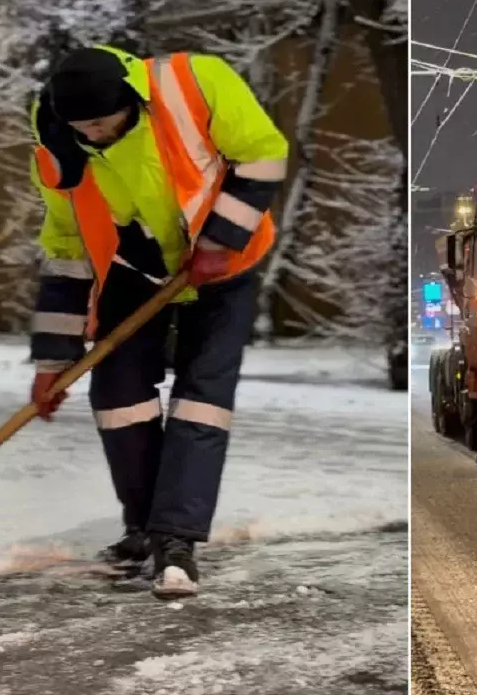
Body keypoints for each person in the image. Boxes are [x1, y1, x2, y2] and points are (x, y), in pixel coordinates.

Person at [26, 45, 288, 599]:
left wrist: (219, 241)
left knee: (202, 398)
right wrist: (53, 359)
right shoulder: (53, 132)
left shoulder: (195, 82)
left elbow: (264, 155)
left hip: (223, 264)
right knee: (118, 398)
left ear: (133, 103)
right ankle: (144, 528)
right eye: (81, 127)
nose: (91, 135)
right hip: (132, 266)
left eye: (102, 123)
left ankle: (177, 540)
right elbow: (66, 242)